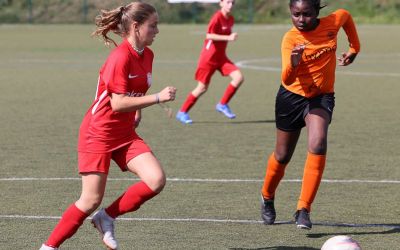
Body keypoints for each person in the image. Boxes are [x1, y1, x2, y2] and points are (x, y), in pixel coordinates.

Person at [40, 2, 177, 249]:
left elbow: (132, 94)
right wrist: (158, 97)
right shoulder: (119, 57)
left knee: (156, 179)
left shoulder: (148, 55)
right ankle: (48, 247)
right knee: (89, 200)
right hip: (98, 134)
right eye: (153, 25)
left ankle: (106, 217)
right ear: (136, 27)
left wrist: (136, 110)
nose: (157, 31)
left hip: (124, 133)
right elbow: (117, 103)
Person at [260, 0, 360, 230]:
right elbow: (286, 79)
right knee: (283, 155)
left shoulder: (332, 22)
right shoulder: (290, 39)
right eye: (296, 15)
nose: (301, 20)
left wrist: (354, 48)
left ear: (317, 12)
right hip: (291, 97)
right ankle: (267, 196)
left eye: (307, 14)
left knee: (318, 143)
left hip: (321, 97)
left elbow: (346, 16)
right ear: (290, 13)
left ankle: (303, 209)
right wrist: (294, 64)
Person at [175, 0, 244, 124]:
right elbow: (209, 36)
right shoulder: (217, 17)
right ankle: (182, 112)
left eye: (233, 2)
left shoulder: (231, 19)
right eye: (228, 2)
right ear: (221, 3)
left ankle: (222, 104)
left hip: (221, 57)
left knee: (238, 77)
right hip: (209, 58)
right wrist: (228, 37)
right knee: (202, 88)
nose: (231, 5)